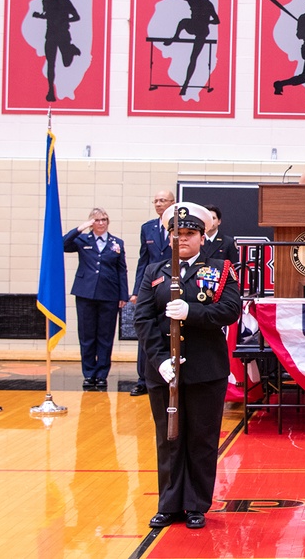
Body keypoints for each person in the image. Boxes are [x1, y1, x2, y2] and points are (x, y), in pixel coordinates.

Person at [134, 202, 240, 530]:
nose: (182, 238)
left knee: (201, 439)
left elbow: (230, 310)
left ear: (202, 237)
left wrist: (191, 312)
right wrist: (160, 360)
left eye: (189, 233)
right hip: (164, 370)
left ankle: (195, 504)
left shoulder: (220, 268)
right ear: (168, 237)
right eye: (176, 233)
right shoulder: (154, 272)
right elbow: (143, 319)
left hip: (205, 370)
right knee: (169, 439)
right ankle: (169, 504)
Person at [63, 208, 128, 389]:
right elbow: (62, 244)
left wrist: (123, 295)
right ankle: (89, 373)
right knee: (87, 335)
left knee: (106, 336)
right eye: (97, 220)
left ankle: (101, 374)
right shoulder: (83, 239)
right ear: (91, 222)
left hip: (109, 295)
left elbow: (121, 270)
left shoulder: (117, 243)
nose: (101, 223)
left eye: (104, 219)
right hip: (86, 294)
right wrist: (80, 228)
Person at [130, 190, 175, 396]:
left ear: (173, 203)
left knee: (170, 330)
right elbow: (143, 261)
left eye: (162, 200)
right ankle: (143, 379)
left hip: (171, 284)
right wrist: (137, 290)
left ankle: (170, 374)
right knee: (146, 330)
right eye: (155, 200)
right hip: (150, 285)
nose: (158, 204)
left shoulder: (180, 227)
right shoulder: (147, 228)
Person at [156, 0, 220, 96]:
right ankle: (175, 37)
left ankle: (185, 85)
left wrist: (207, 22)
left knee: (193, 58)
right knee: (183, 21)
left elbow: (217, 20)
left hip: (201, 30)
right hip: (194, 26)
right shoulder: (193, 0)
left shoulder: (207, 3)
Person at [32, 0, 81, 102]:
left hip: (63, 35)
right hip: (51, 36)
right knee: (50, 64)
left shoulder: (64, 0)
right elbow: (48, 16)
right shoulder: (46, 2)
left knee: (66, 63)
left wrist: (64, 20)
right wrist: (39, 16)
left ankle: (71, 50)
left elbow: (77, 16)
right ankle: (50, 91)